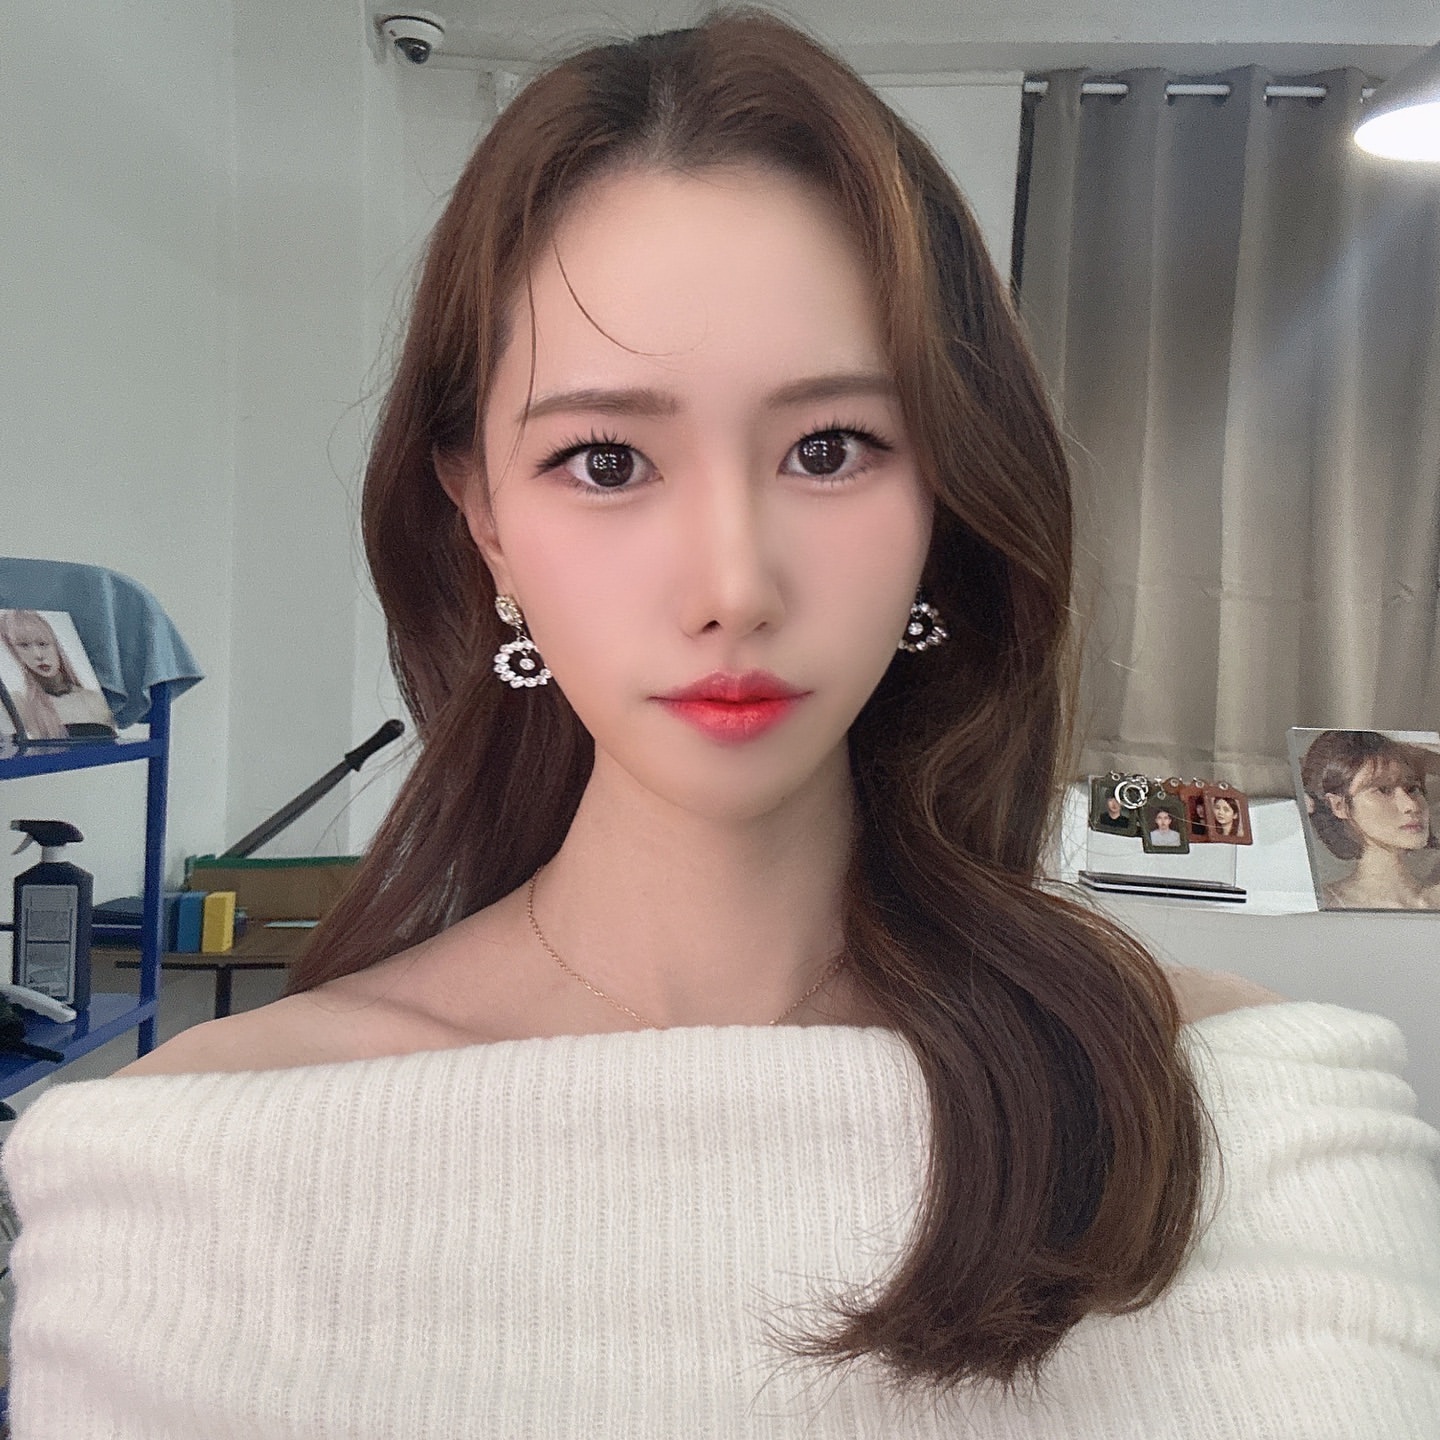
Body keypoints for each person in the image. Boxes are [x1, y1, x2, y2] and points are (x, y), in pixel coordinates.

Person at [4, 11, 1438, 1437]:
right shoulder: (190, 1172)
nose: (733, 587)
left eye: (830, 448)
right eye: (605, 461)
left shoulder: (1257, 1115)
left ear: (944, 493)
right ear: (482, 514)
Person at [1300, 729, 1440, 910]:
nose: (1411, 805)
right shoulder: (1321, 903)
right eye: (1383, 790)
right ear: (1339, 806)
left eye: (1413, 788)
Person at [0, 608, 116, 739]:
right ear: (14, 652)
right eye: (24, 646)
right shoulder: (17, 704)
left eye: (42, 644)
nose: (38, 655)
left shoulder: (93, 699)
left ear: (55, 646)